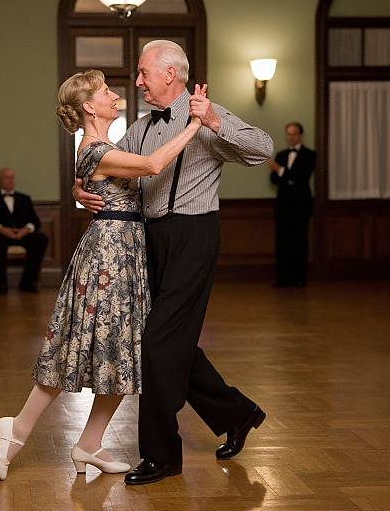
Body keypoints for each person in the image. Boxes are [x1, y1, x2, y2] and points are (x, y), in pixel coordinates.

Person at [74, 40, 274, 485]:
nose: (138, 81)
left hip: (193, 236)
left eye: (143, 73)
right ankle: (238, 413)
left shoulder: (205, 114)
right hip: (148, 239)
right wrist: (77, 190)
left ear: (170, 74)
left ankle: (163, 455)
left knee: (158, 342)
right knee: (174, 342)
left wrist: (215, 121)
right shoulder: (142, 128)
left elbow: (262, 148)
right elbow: (104, 164)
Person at [0, 70, 204, 481]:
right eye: (106, 91)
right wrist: (196, 123)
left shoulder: (103, 146)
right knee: (78, 346)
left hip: (125, 249)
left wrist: (76, 188)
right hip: (108, 255)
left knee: (126, 353)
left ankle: (88, 445)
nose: (114, 94)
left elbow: (94, 176)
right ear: (89, 105)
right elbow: (154, 164)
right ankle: (17, 428)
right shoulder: (92, 148)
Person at [0, 168, 49, 293]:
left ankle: (28, 282)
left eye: (12, 177)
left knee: (41, 239)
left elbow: (35, 222)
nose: (10, 180)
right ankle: (0, 283)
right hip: (1, 236)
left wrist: (26, 230)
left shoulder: (24, 198)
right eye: (6, 177)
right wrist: (1, 229)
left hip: (22, 235)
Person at [268, 122, 315, 287]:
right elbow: (273, 180)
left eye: (294, 134)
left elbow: (300, 179)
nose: (291, 137)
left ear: (301, 135)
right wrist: (282, 174)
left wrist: (280, 171)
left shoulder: (309, 155)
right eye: (288, 134)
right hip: (283, 207)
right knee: (283, 243)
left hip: (301, 207)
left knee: (300, 243)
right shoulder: (280, 155)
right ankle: (283, 279)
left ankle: (300, 279)